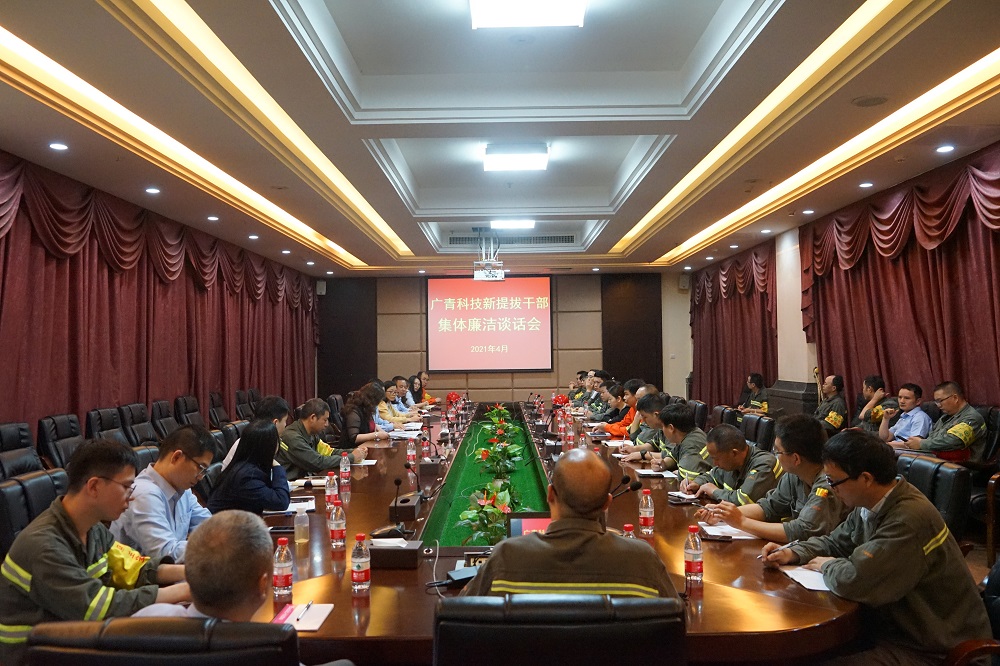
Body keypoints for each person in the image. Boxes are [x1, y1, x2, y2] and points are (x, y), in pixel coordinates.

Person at [762, 430, 991, 664]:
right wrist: (793, 552)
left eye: (834, 481)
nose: (831, 488)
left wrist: (827, 565)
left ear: (866, 479)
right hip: (893, 627)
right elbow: (836, 542)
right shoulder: (870, 503)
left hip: (932, 647)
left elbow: (856, 580)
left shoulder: (907, 519)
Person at [0, 439, 189, 666]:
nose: (130, 496)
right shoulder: (43, 545)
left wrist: (190, 573)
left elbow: (129, 568)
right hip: (33, 655)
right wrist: (187, 590)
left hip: (70, 641)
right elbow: (96, 608)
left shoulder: (93, 529)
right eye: (126, 487)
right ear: (94, 486)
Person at [463, 449, 678, 598]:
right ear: (607, 503)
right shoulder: (642, 561)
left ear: (550, 495)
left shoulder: (506, 558)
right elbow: (676, 622)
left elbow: (463, 618)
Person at [698, 415, 846, 542]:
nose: (775, 456)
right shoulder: (794, 475)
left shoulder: (828, 483)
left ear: (796, 459)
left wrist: (742, 522)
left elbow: (802, 531)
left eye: (778, 451)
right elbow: (769, 506)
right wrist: (723, 513)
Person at [110, 424, 214, 562]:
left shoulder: (183, 489)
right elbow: (165, 554)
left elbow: (209, 526)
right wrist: (216, 546)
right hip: (139, 574)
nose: (201, 477)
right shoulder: (144, 495)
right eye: (201, 468)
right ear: (176, 457)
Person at [679, 424, 782, 504]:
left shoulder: (764, 464)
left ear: (734, 453)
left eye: (716, 459)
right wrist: (696, 483)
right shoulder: (730, 463)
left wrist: (714, 491)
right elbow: (712, 475)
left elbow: (743, 501)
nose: (715, 463)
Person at [209, 419, 290, 514]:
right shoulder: (247, 476)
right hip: (225, 523)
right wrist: (277, 466)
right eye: (277, 440)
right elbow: (280, 501)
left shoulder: (248, 467)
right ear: (269, 446)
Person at [277, 398, 368, 481]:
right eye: (325, 420)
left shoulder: (312, 434)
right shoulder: (292, 437)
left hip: (304, 479)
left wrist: (355, 451)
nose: (327, 424)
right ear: (313, 418)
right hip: (291, 484)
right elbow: (317, 462)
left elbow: (329, 452)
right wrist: (351, 457)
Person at [896, 380, 986, 462]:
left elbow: (952, 441)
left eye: (940, 401)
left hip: (960, 465)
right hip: (937, 458)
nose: (938, 405)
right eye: (936, 402)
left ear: (955, 398)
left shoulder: (971, 418)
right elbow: (932, 437)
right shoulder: (946, 417)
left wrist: (921, 444)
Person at [221, 395, 291, 471]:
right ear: (275, 423)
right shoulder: (257, 444)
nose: (285, 425)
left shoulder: (256, 438)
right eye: (285, 421)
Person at [644, 403, 711, 481]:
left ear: (671, 428)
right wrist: (664, 463)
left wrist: (679, 473)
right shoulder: (688, 435)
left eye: (663, 426)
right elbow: (674, 456)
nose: (662, 430)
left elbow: (688, 478)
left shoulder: (691, 443)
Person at [621, 392, 669, 461]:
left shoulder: (672, 429)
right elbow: (653, 445)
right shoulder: (660, 428)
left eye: (645, 417)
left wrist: (642, 455)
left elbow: (669, 455)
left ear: (656, 414)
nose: (642, 420)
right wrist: (633, 449)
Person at [813, 369, 848, 434]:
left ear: (833, 388)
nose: (823, 385)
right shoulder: (825, 400)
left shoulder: (838, 403)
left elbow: (831, 424)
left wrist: (813, 424)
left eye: (825, 384)